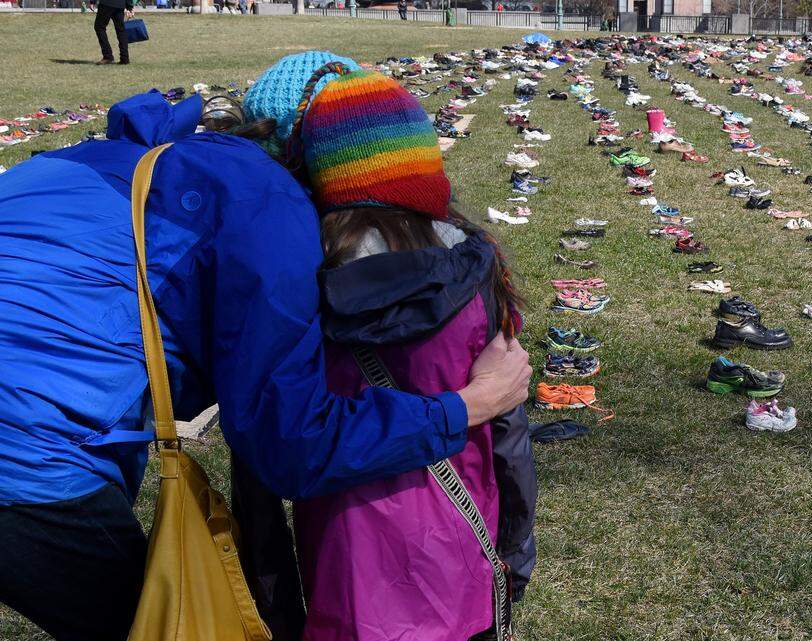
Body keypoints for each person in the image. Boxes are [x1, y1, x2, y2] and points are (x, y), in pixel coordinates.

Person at [0, 50, 532, 641]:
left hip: (25, 428)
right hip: (21, 456)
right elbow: (293, 444)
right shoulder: (265, 211)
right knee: (163, 626)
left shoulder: (106, 159)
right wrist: (471, 404)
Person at [265, 66, 537, 641]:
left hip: (344, 559)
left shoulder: (296, 282)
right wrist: (516, 546)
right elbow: (508, 430)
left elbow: (278, 443)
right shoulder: (478, 268)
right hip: (461, 542)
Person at [91, 0, 133, 65]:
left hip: (106, 3)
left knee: (99, 27)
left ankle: (108, 56)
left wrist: (92, 2)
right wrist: (129, 7)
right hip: (120, 5)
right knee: (121, 31)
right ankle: (125, 58)